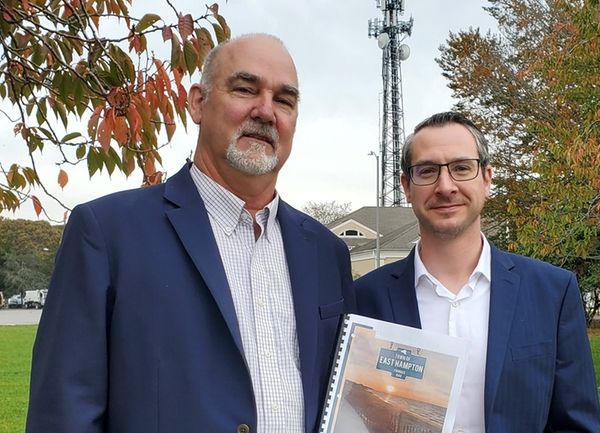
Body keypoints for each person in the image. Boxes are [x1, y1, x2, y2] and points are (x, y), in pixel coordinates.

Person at [26, 34, 356, 433]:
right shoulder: (108, 234)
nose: (266, 111)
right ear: (198, 102)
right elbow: (63, 415)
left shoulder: (326, 253)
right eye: (245, 89)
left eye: (284, 100)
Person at [355, 112, 600, 432]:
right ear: (407, 186)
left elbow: (576, 425)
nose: (446, 186)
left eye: (461, 168)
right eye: (427, 171)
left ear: (487, 178)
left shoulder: (552, 292)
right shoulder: (364, 298)